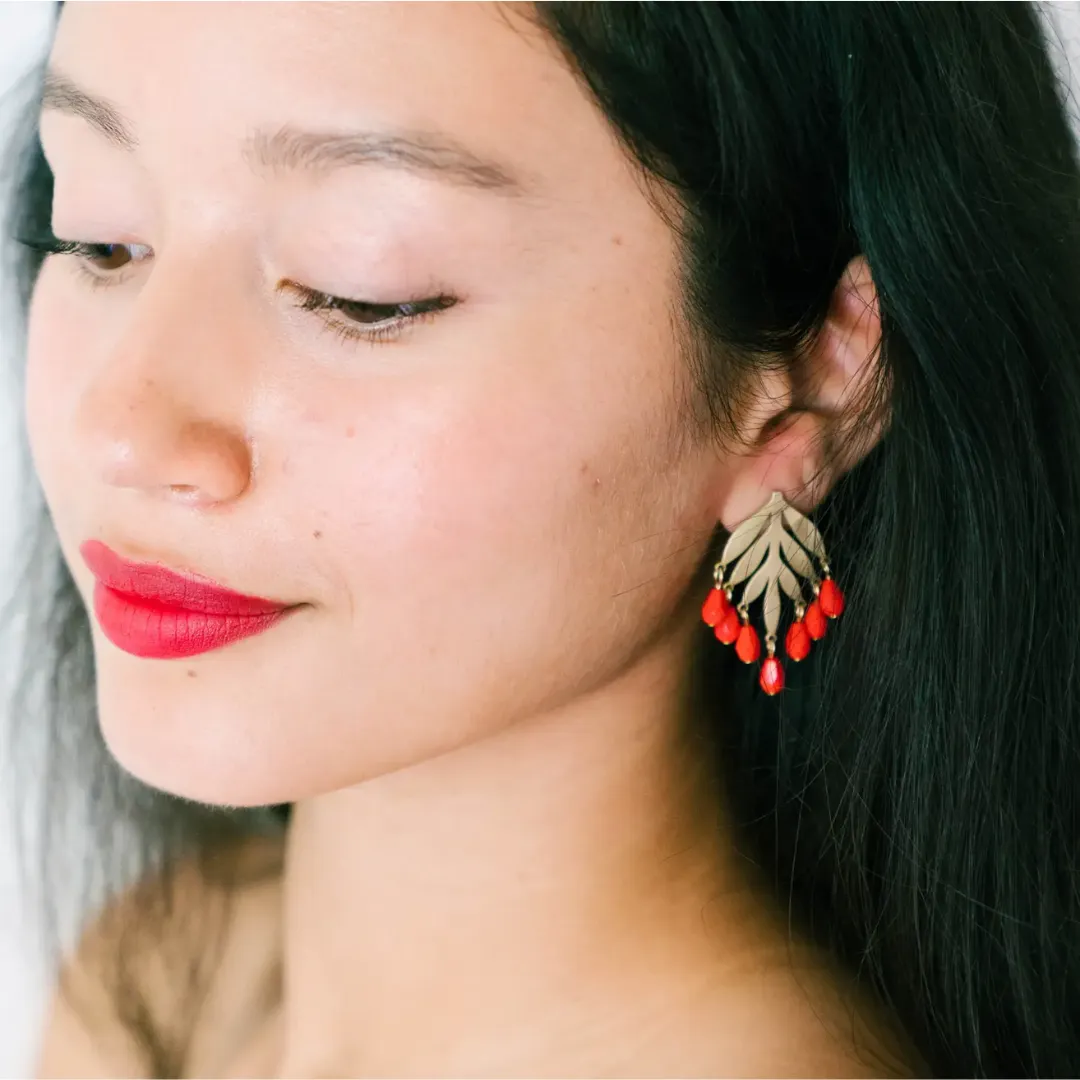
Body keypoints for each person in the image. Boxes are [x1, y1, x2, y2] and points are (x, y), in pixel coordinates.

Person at [3, 1, 1079, 1075]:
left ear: (816, 373)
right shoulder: (154, 985)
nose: (122, 429)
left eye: (360, 292)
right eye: (99, 236)